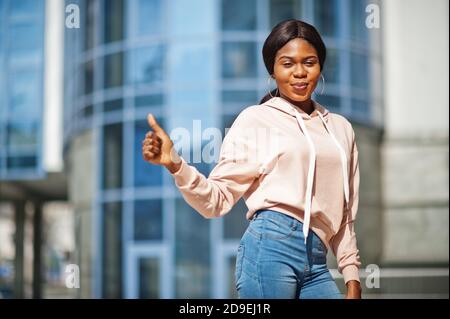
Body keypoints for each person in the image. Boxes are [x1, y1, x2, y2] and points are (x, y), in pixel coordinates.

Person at [142, 19, 362, 299]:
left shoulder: (341, 128)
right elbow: (216, 199)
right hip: (269, 249)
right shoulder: (256, 119)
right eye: (287, 63)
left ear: (320, 67)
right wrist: (175, 163)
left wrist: (352, 278)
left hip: (318, 260)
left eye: (309, 62)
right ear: (273, 70)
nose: (299, 73)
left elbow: (345, 216)